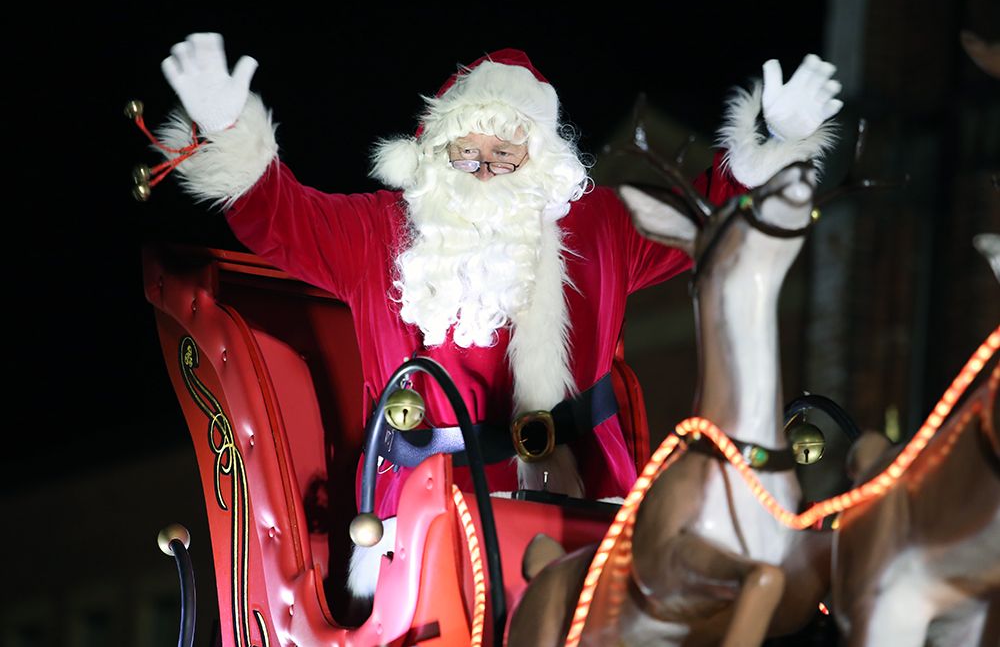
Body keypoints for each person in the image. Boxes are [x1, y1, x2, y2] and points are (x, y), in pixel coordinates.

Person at [150, 33, 843, 596]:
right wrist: (228, 131)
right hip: (420, 506)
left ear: (537, 162)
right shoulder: (380, 231)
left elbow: (709, 212)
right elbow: (281, 220)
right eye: (467, 153)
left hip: (580, 488)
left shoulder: (597, 227)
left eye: (503, 156)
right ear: (436, 151)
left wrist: (770, 147)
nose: (481, 172)